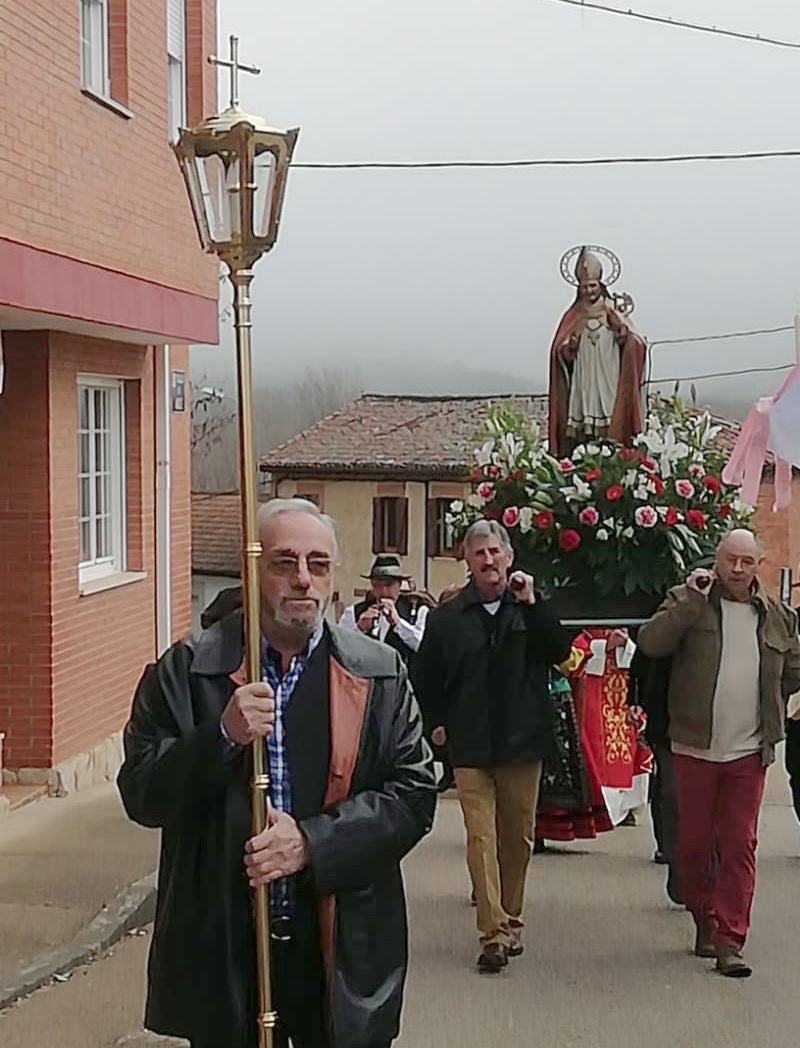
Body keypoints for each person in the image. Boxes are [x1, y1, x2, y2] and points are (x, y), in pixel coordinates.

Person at [118, 498, 437, 1048]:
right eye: (283, 562)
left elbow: (414, 795)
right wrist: (219, 738)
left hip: (339, 945)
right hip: (225, 945)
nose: (303, 580)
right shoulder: (189, 670)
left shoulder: (378, 672)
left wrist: (312, 843)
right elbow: (142, 793)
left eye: (318, 564)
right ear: (251, 569)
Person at [638, 529, 800, 978]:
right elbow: (652, 643)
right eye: (730, 560)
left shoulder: (776, 616)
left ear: (758, 565)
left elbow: (791, 672)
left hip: (749, 750)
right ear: (717, 559)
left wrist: (769, 710)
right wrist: (690, 600)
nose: (737, 570)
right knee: (690, 846)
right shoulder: (688, 600)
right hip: (693, 745)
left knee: (740, 843)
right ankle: (703, 918)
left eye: (747, 562)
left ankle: (730, 938)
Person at [414, 519, 572, 973]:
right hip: (471, 742)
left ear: (509, 558)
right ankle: (493, 933)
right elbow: (426, 678)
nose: (488, 560)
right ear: (467, 561)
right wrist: (436, 724)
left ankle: (512, 916)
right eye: (479, 553)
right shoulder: (447, 618)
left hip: (523, 740)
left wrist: (533, 604)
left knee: (516, 838)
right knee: (480, 837)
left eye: (494, 552)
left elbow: (560, 650)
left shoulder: (529, 608)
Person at [547, 246, 646, 458]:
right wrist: (569, 348)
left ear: (600, 285)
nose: (589, 291)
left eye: (592, 286)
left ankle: (612, 442)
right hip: (584, 374)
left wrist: (623, 336)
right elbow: (560, 352)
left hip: (608, 369)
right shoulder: (573, 316)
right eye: (585, 287)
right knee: (583, 416)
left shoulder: (612, 310)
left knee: (610, 411)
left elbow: (634, 341)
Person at [339, 554, 428, 663]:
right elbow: (340, 649)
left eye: (389, 585)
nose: (383, 591)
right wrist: (359, 628)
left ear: (399, 585)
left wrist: (398, 624)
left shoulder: (417, 610)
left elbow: (422, 646)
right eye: (377, 585)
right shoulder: (353, 612)